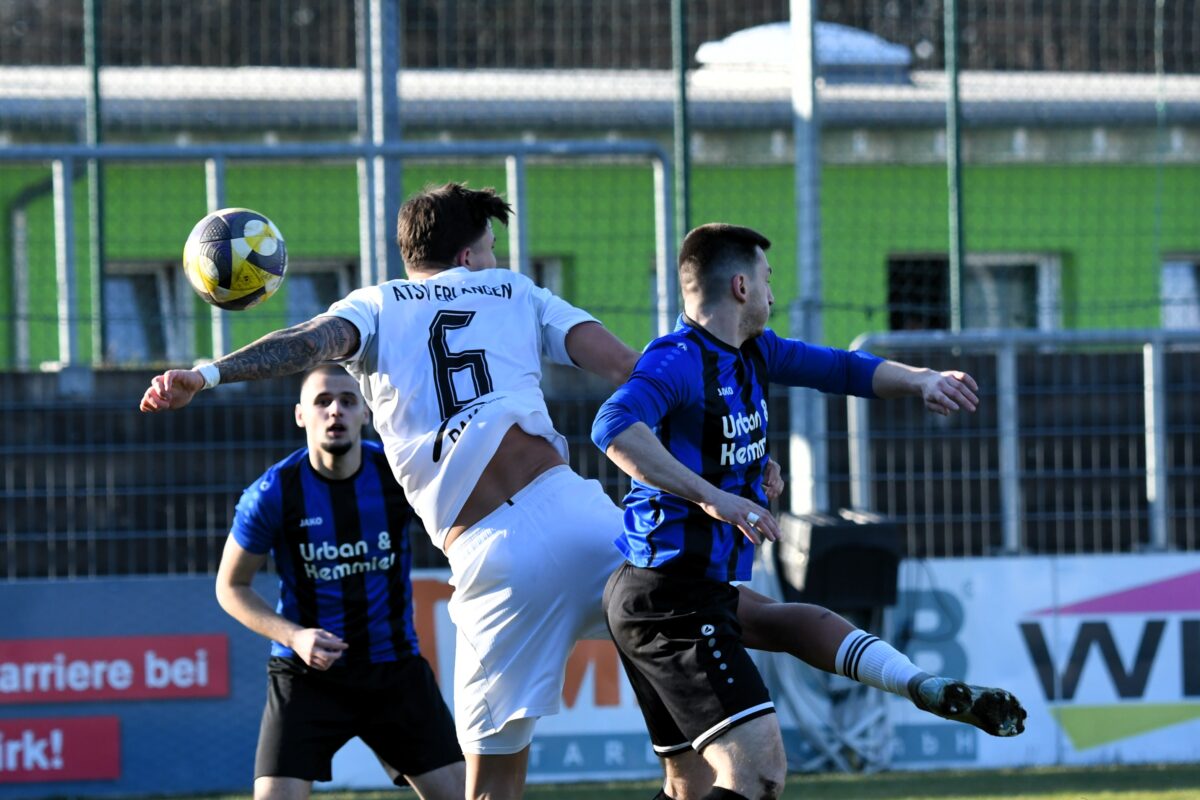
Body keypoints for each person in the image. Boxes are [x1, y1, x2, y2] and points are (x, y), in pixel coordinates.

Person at [142, 184, 1023, 800]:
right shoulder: (516, 288)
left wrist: (209, 373)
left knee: (489, 792)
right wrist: (725, 464)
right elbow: (634, 369)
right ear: (468, 250)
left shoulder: (378, 305)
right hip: (579, 512)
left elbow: (310, 340)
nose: (495, 258)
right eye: (487, 244)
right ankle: (909, 681)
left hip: (490, 555)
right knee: (726, 615)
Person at [591, 223, 1026, 800]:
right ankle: (918, 685)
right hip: (669, 598)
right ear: (742, 287)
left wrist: (920, 379)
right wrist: (715, 496)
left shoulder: (753, 352)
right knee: (759, 775)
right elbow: (612, 426)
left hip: (688, 590)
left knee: (691, 785)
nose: (775, 293)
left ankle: (920, 685)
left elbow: (843, 369)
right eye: (769, 280)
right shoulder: (677, 360)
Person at [214, 365, 464, 800]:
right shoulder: (273, 493)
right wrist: (295, 636)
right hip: (306, 674)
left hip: (393, 669)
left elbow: (462, 522)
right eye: (322, 401)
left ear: (365, 413)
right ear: (300, 416)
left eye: (348, 401)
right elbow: (230, 587)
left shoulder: (397, 475)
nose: (335, 411)